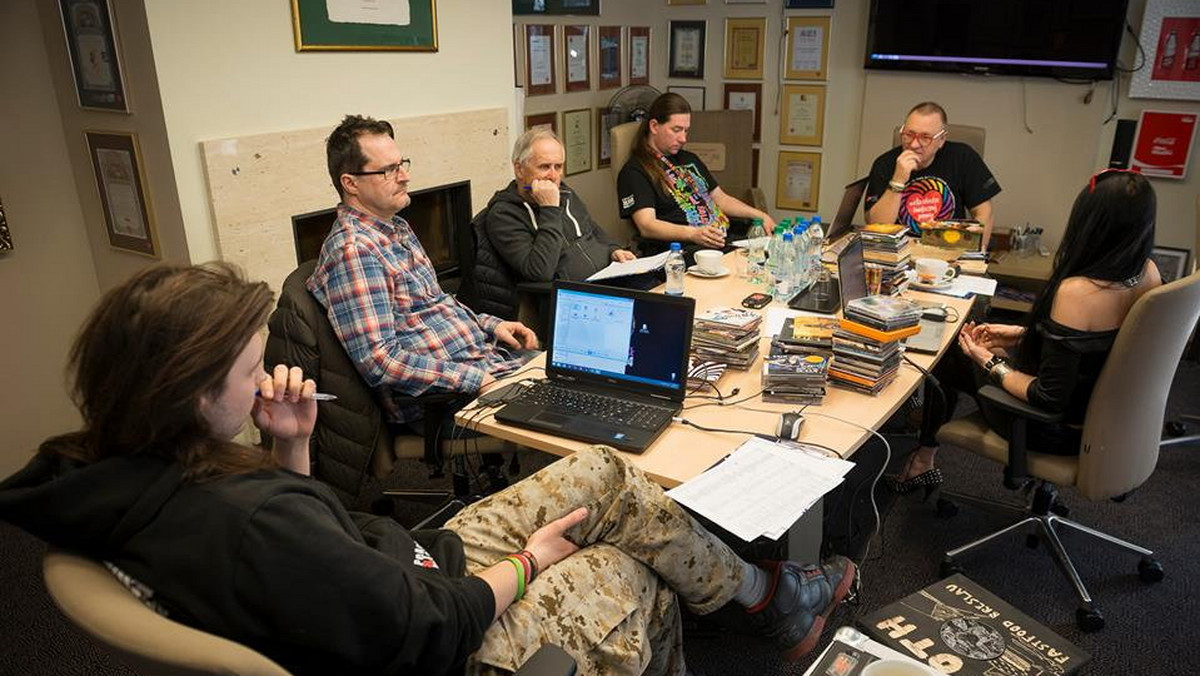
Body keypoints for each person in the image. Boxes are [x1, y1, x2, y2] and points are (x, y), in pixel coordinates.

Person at [0, 261, 856, 676]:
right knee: (623, 566)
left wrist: (290, 448)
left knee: (601, 471)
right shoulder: (247, 521)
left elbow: (300, 547)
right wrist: (529, 565)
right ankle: (771, 602)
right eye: (251, 368)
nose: (266, 378)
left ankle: (765, 596)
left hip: (403, 565)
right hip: (442, 634)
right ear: (188, 392)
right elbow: (424, 629)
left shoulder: (123, 462)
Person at [891, 170, 1161, 491]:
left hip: (1049, 428)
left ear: (1089, 224)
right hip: (1107, 418)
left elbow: (1047, 398)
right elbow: (1100, 344)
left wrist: (987, 360)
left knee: (949, 349)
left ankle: (922, 459)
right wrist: (1022, 333)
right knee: (969, 342)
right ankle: (923, 450)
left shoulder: (1078, 293)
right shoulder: (1147, 273)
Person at [308, 114, 538, 425]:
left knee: (588, 381)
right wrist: (476, 380)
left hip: (483, 360)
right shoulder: (355, 252)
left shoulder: (395, 227)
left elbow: (434, 303)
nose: (404, 176)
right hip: (446, 399)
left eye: (402, 164)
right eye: (389, 170)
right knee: (580, 410)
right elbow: (381, 362)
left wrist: (490, 324)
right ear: (351, 184)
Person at [474, 129, 635, 316]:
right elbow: (539, 271)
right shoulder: (504, 214)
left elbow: (592, 229)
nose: (553, 176)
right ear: (519, 169)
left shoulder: (565, 193)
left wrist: (614, 249)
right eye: (544, 167)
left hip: (609, 280)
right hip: (572, 303)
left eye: (558, 167)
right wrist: (549, 208)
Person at [617, 92, 775, 257]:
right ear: (654, 126)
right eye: (676, 130)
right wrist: (693, 233)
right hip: (683, 248)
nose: (683, 138)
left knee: (773, 252)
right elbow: (647, 225)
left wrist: (759, 215)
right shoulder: (635, 171)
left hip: (720, 236)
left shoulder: (688, 159)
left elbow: (721, 199)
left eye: (686, 131)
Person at [864, 102, 1000, 249]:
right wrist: (898, 180)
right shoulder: (885, 163)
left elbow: (985, 212)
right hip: (900, 253)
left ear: (941, 140)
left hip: (948, 250)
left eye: (925, 137)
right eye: (909, 135)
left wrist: (973, 254)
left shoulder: (962, 157)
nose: (914, 144)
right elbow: (877, 227)